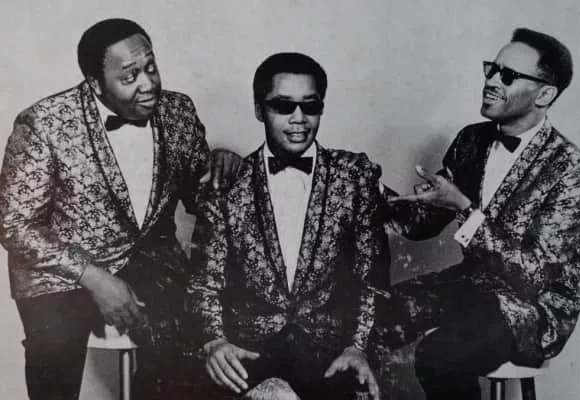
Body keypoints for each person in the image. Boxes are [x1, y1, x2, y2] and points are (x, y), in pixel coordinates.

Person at [0, 18, 240, 400]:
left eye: (151, 67)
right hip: (60, 274)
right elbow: (14, 223)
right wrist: (94, 278)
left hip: (152, 261)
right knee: (54, 355)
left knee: (193, 347)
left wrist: (222, 166)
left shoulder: (178, 110)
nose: (148, 84)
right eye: (129, 76)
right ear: (95, 84)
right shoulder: (43, 123)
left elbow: (200, 198)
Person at [375, 27, 580, 400]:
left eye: (507, 75)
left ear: (545, 94)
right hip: (470, 286)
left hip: (531, 307)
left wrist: (464, 208)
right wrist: (369, 190)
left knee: (440, 355)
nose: (491, 81)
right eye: (491, 69)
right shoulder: (472, 139)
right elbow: (420, 227)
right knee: (363, 318)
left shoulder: (573, 170)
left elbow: (534, 273)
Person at [184, 52, 390, 400]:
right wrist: (214, 341)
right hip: (248, 354)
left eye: (310, 106)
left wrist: (358, 347)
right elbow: (204, 282)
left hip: (330, 358)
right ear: (259, 109)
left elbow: (371, 278)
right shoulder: (227, 184)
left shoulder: (354, 176)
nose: (299, 119)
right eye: (283, 106)